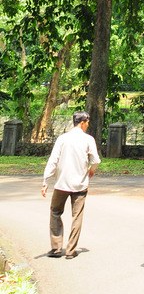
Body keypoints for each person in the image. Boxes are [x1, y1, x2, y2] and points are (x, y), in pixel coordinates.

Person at [41, 110, 101, 259]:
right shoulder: (88, 139)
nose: (88, 125)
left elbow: (53, 160)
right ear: (82, 122)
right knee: (77, 217)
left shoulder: (63, 138)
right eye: (87, 122)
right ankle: (70, 250)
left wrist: (45, 181)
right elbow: (96, 160)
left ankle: (55, 249)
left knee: (55, 212)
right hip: (80, 185)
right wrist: (91, 171)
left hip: (61, 183)